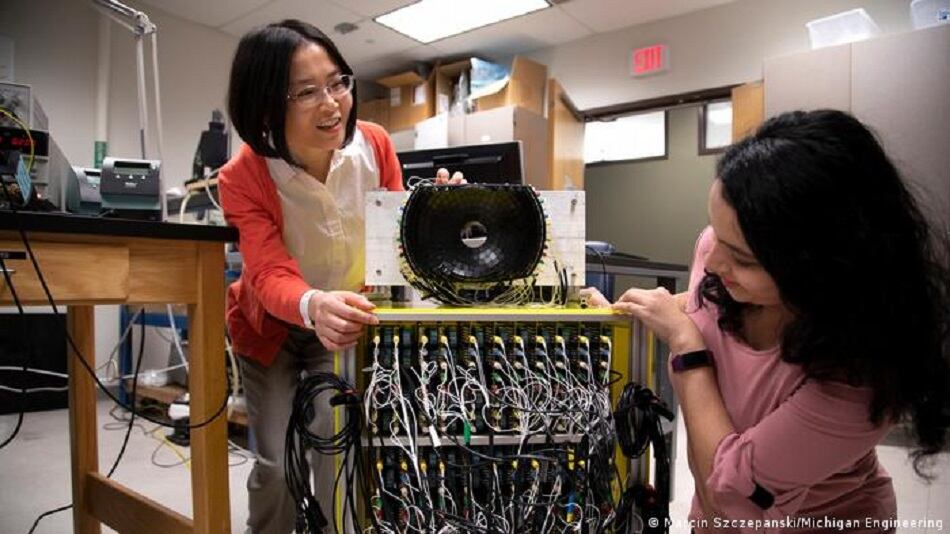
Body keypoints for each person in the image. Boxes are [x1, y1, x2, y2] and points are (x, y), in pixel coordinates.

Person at [587, 109, 948, 533]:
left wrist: (688, 352)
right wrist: (620, 314)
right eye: (716, 234)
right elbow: (703, 304)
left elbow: (732, 500)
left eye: (742, 258)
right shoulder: (720, 257)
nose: (712, 261)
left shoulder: (857, 380)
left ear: (823, 271)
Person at [219, 20, 462, 534]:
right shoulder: (243, 175)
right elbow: (267, 271)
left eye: (337, 82)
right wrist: (313, 304)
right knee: (276, 464)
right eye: (306, 92)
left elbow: (397, 238)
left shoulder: (374, 145)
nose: (332, 104)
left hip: (343, 324)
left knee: (339, 450)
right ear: (265, 107)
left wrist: (434, 216)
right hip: (269, 330)